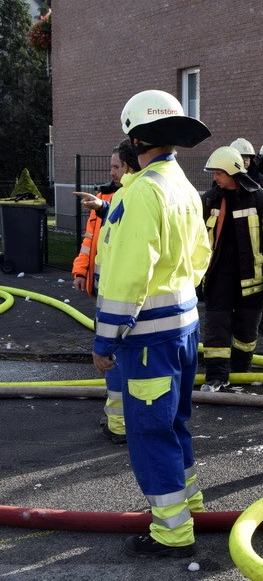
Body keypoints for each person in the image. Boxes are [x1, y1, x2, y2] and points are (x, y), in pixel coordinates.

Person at [92, 89, 212, 556]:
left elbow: (126, 277)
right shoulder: (183, 186)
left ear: (137, 138)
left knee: (149, 431)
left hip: (146, 337)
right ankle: (190, 505)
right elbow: (201, 255)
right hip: (184, 325)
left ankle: (172, 531)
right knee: (174, 422)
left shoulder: (142, 192)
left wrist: (105, 339)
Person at [70, 139, 139, 444]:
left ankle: (118, 424)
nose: (111, 171)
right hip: (108, 293)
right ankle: (123, 422)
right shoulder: (119, 198)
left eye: (115, 166)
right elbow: (90, 242)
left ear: (128, 166)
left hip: (117, 297)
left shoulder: (134, 197)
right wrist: (80, 271)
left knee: (112, 358)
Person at [198, 146, 263, 392]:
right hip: (219, 275)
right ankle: (216, 375)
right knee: (216, 326)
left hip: (251, 276)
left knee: (247, 328)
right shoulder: (209, 199)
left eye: (219, 172)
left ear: (232, 171)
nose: (215, 177)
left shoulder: (260, 198)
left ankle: (241, 371)